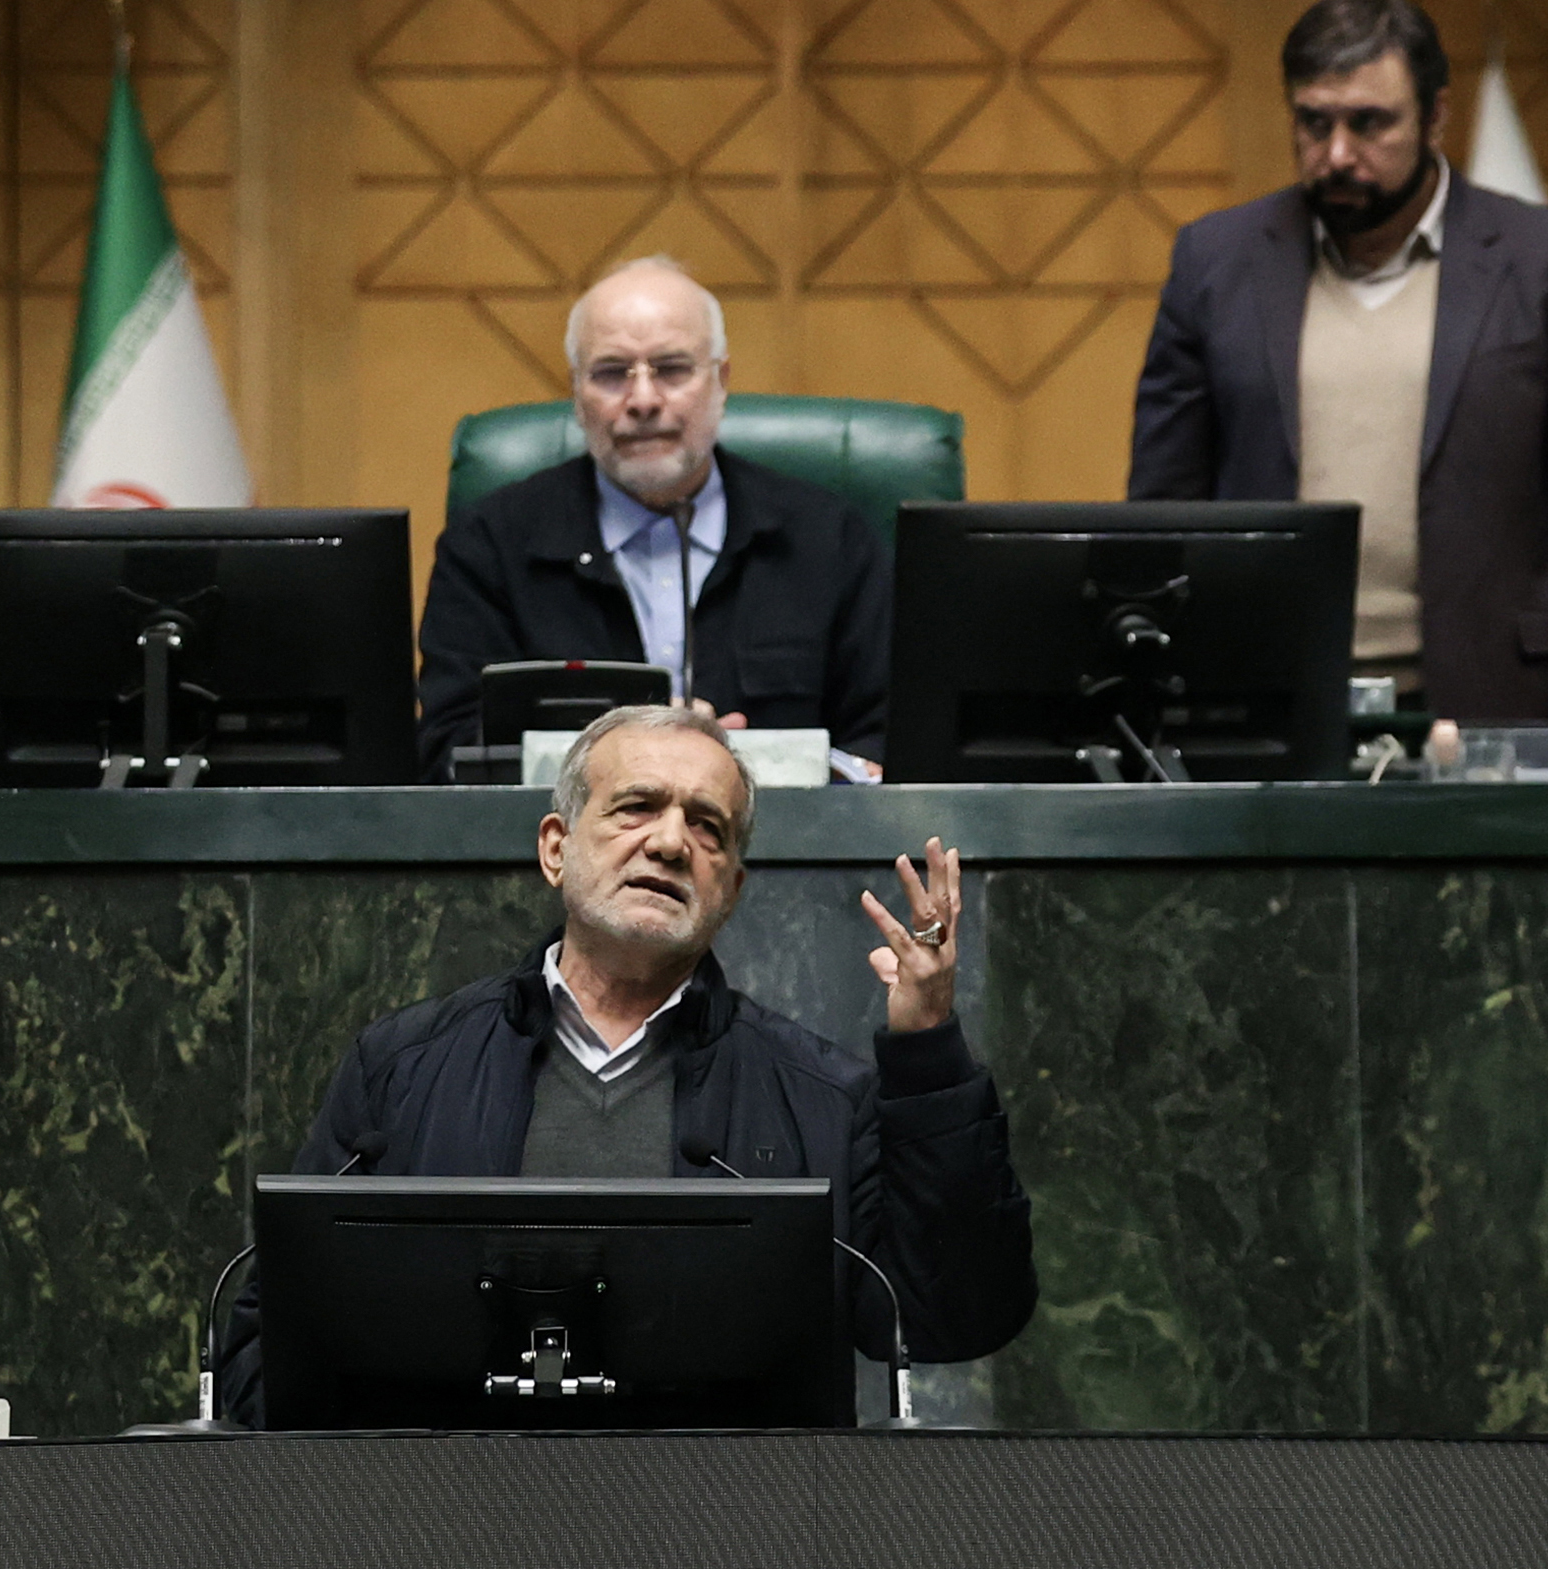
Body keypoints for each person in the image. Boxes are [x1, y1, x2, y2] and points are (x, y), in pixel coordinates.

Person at [217, 703, 1036, 1424]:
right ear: (556, 848)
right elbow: (270, 1349)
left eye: (708, 827)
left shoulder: (821, 1097)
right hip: (451, 1545)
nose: (673, 842)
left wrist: (927, 1046)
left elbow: (950, 1319)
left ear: (734, 888)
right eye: (637, 807)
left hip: (727, 1557)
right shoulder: (403, 1069)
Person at [1127, 0, 1548, 733]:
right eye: (1314, 123)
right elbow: (1158, 520)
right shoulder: (1215, 263)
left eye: (1370, 124)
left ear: (1436, 117)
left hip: (1491, 708)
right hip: (1261, 709)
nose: (1338, 153)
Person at [414, 256, 891, 781]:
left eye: (671, 369)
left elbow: (885, 739)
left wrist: (742, 765)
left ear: (721, 381)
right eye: (612, 373)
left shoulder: (829, 539)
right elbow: (449, 753)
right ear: (577, 393)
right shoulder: (489, 545)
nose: (643, 399)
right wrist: (629, 755)